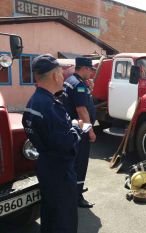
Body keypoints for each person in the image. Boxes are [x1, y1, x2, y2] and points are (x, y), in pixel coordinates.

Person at [22, 54, 82, 233]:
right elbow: (67, 143)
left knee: (50, 216)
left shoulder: (33, 102)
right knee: (64, 220)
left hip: (46, 166)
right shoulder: (50, 106)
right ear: (55, 75)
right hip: (60, 171)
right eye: (61, 73)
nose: (64, 77)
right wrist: (76, 127)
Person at [62, 57, 96, 208]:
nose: (92, 73)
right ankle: (77, 196)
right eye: (90, 70)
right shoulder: (79, 85)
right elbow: (81, 110)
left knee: (74, 162)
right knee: (80, 163)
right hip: (80, 130)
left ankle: (73, 190)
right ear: (84, 68)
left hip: (72, 127)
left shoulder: (71, 80)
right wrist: (90, 131)